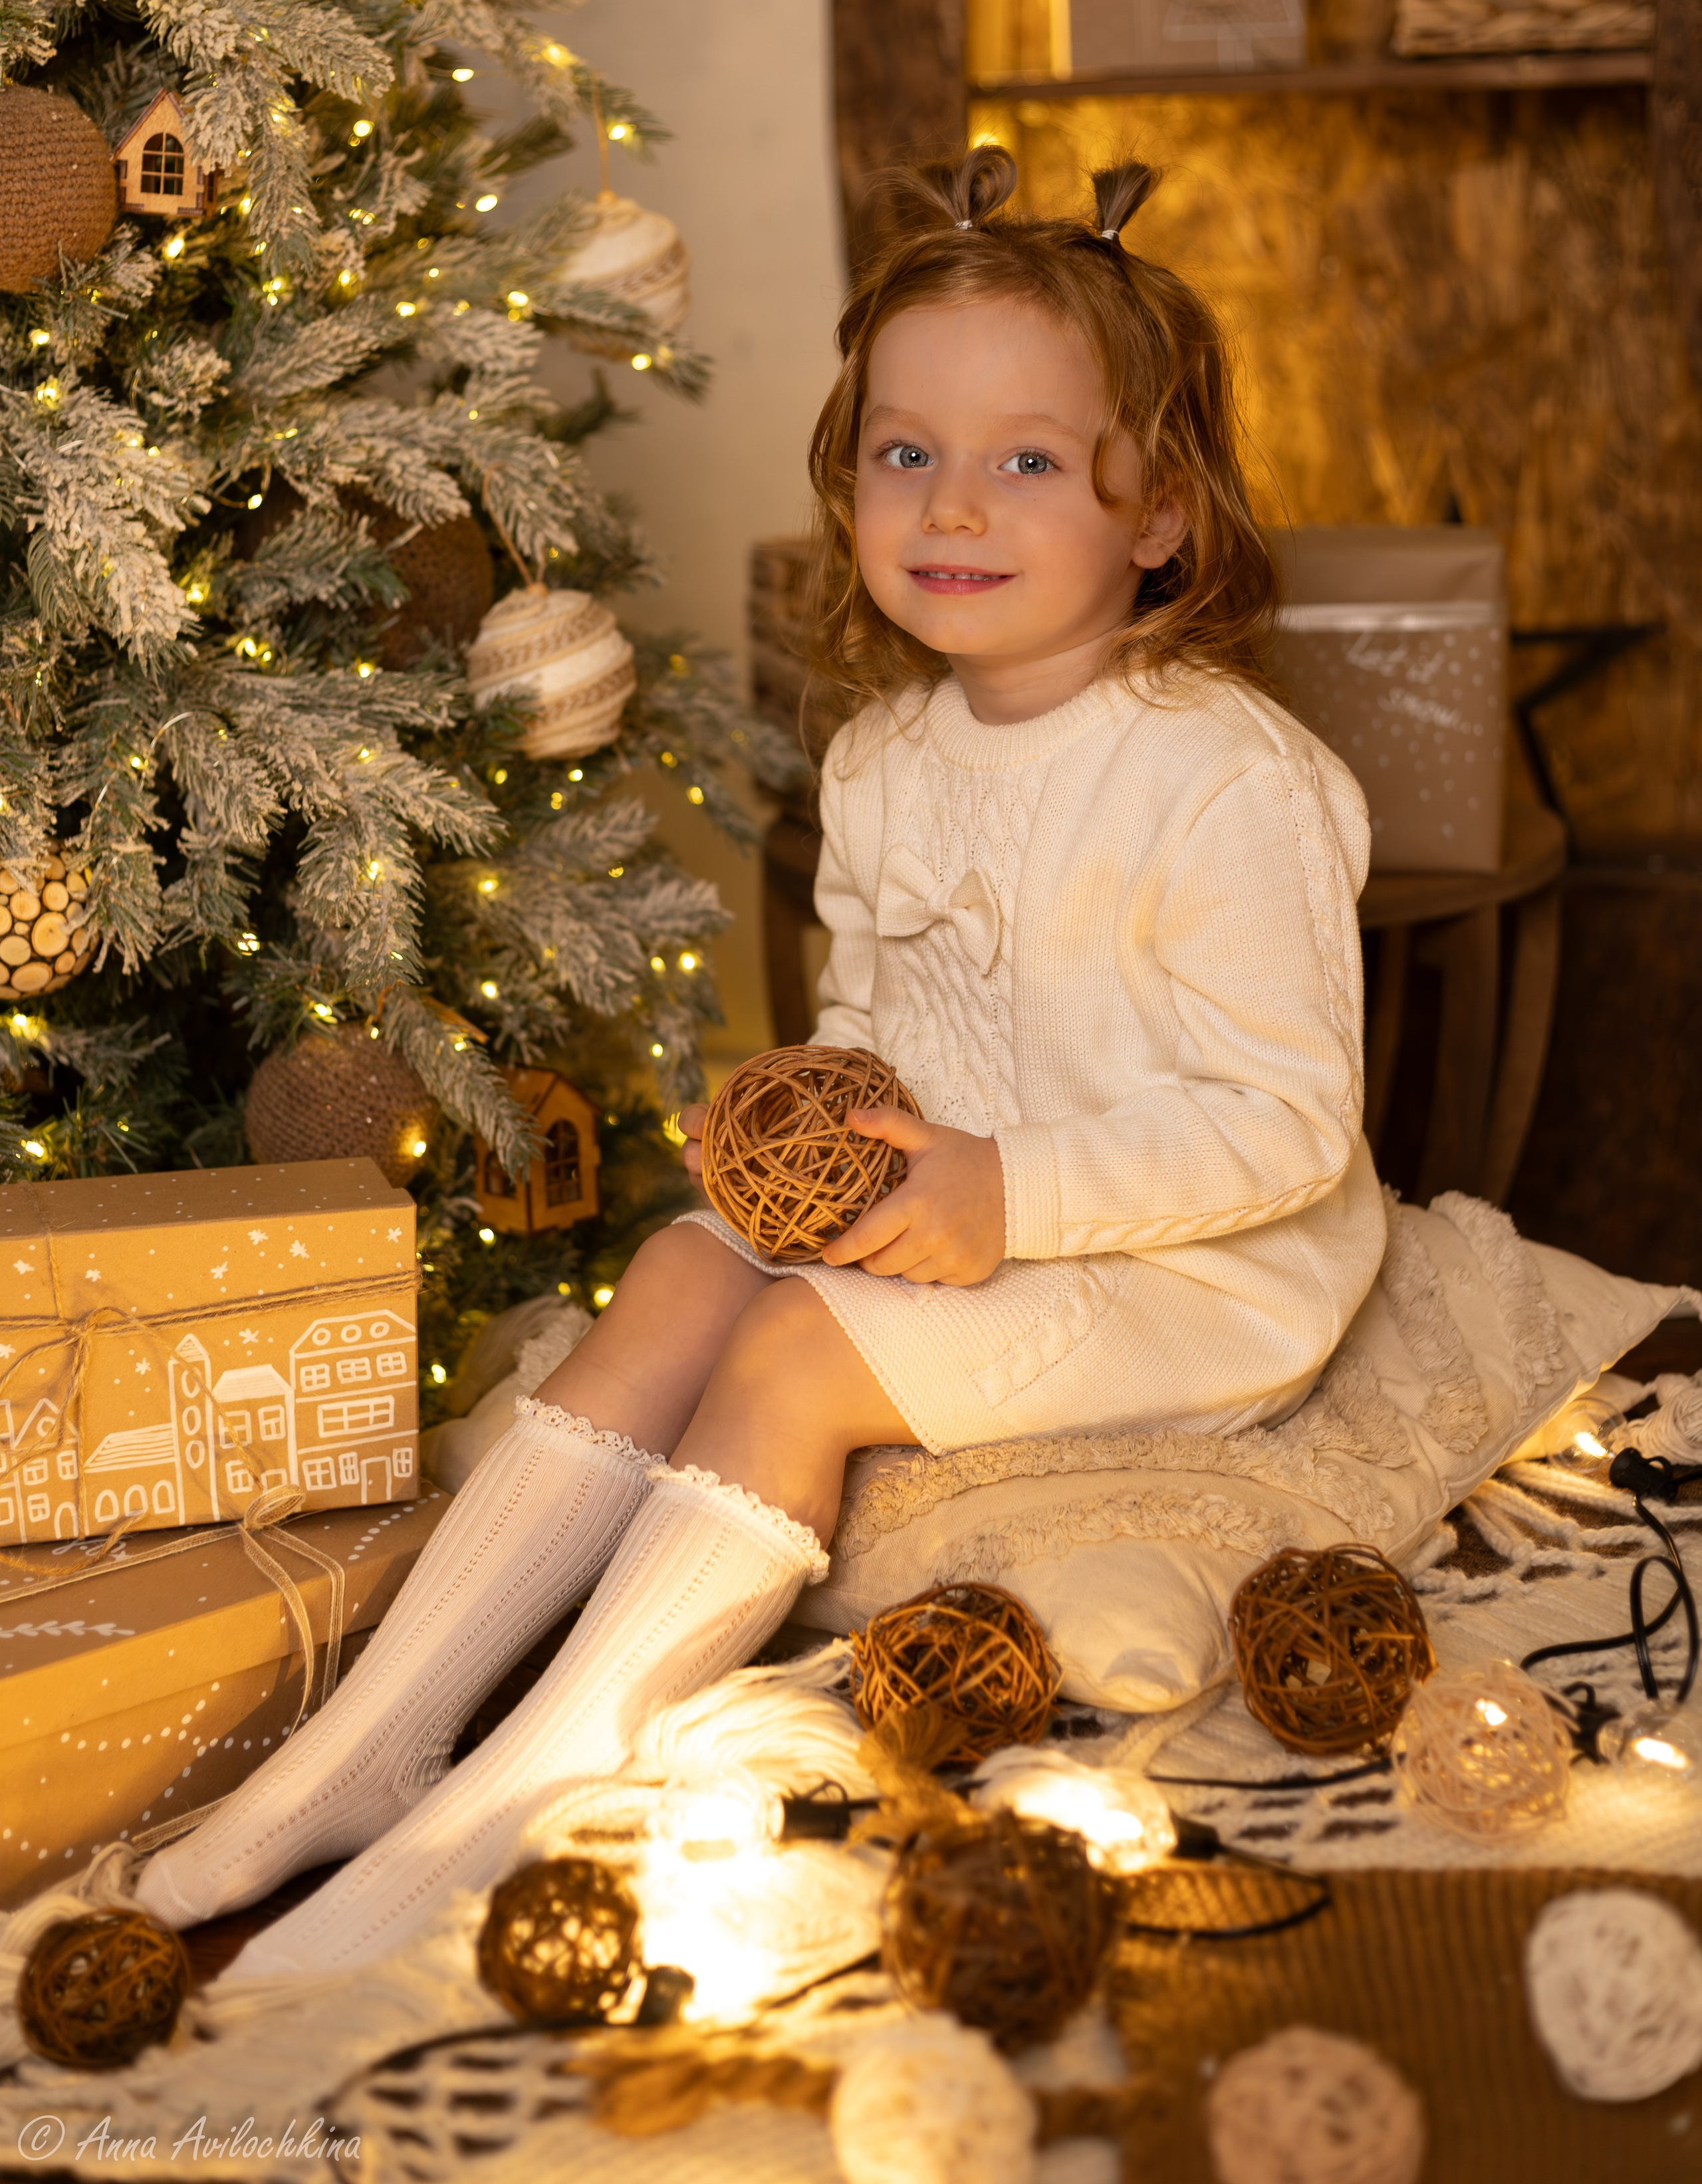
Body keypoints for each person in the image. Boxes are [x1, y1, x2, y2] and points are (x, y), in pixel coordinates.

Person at [137, 145, 1385, 1973]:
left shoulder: (1226, 783)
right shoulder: (884, 755)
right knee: (680, 1270)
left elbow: (1287, 1122)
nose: (954, 500)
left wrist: (1009, 1191)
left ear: (1164, 516)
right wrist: (812, 1124)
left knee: (791, 1351)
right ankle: (378, 1741)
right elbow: (880, 1024)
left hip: (1183, 1254)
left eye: (1031, 457)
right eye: (906, 450)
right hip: (949, 1203)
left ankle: (527, 1792)